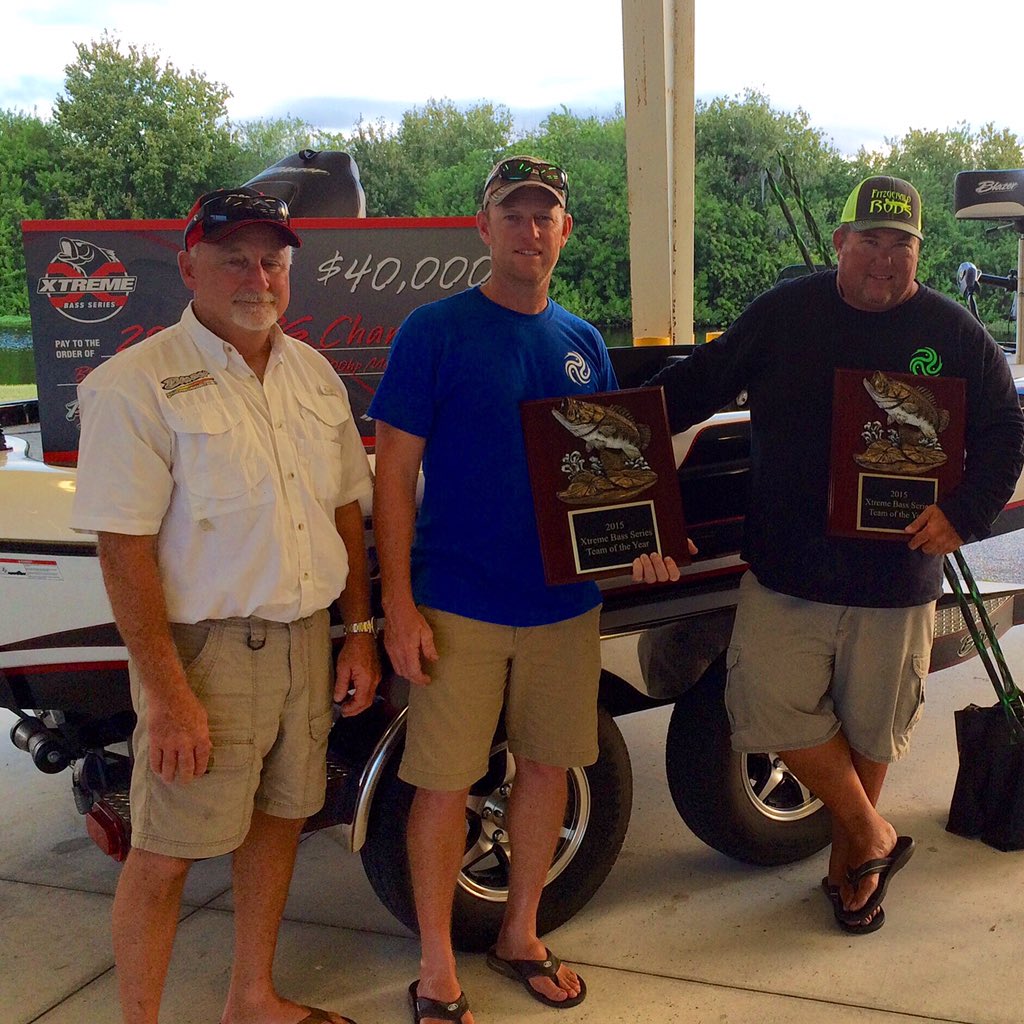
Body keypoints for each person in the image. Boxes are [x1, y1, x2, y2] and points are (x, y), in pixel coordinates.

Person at [650, 174, 1024, 934]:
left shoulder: (953, 331)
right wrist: (582, 417)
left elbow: (1006, 428)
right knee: (764, 709)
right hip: (789, 569)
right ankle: (875, 836)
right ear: (840, 243)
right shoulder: (784, 313)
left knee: (872, 729)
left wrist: (964, 513)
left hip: (898, 577)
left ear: (919, 250)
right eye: (872, 241)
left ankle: (851, 869)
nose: (886, 259)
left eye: (903, 245)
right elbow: (685, 394)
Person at [369, 156, 680, 1024]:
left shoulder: (581, 342)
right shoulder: (434, 330)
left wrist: (642, 548)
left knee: (549, 769)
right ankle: (437, 966)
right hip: (459, 604)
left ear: (564, 231)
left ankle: (521, 933)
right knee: (441, 784)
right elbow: (394, 475)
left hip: (564, 607)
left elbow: (604, 481)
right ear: (483, 225)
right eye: (514, 213)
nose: (530, 230)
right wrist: (397, 603)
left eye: (545, 216)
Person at [70, 187, 379, 1024]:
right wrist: (168, 696)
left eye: (272, 260)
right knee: (166, 852)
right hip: (203, 656)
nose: (258, 276)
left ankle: (252, 998)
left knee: (282, 820)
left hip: (308, 643)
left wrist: (357, 634)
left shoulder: (313, 373)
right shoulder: (132, 385)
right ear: (188, 267)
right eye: (234, 258)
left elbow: (345, 509)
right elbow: (123, 549)